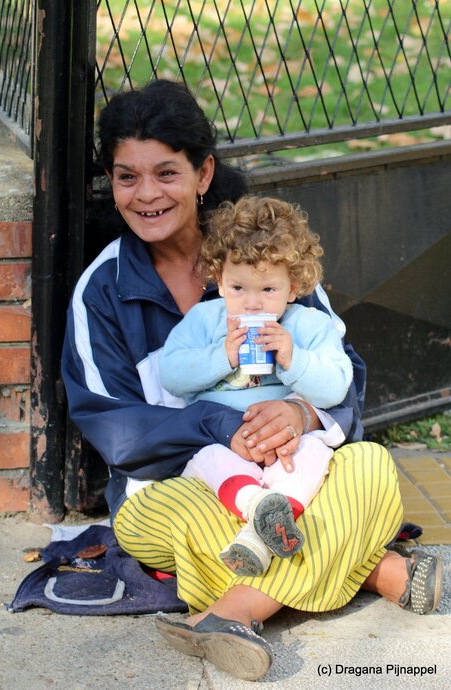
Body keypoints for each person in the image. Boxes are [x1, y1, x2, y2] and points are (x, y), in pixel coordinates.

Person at [61, 79, 443, 682]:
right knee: (169, 523)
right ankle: (370, 567)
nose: (145, 194)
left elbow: (347, 380)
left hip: (290, 467)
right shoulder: (101, 291)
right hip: (181, 487)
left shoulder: (269, 263)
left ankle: (234, 610)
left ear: (204, 173)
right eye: (126, 176)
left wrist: (299, 416)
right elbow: (117, 433)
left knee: (368, 468)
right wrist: (222, 426)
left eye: (166, 173)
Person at [159, 195, 354, 577]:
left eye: (267, 291)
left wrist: (292, 358)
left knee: (314, 454)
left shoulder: (308, 325)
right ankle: (258, 512)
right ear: (218, 280)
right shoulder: (204, 320)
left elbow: (336, 387)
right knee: (205, 460)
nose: (251, 304)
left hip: (285, 445)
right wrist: (222, 356)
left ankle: (261, 531)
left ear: (293, 286)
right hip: (223, 443)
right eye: (237, 288)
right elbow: (172, 374)